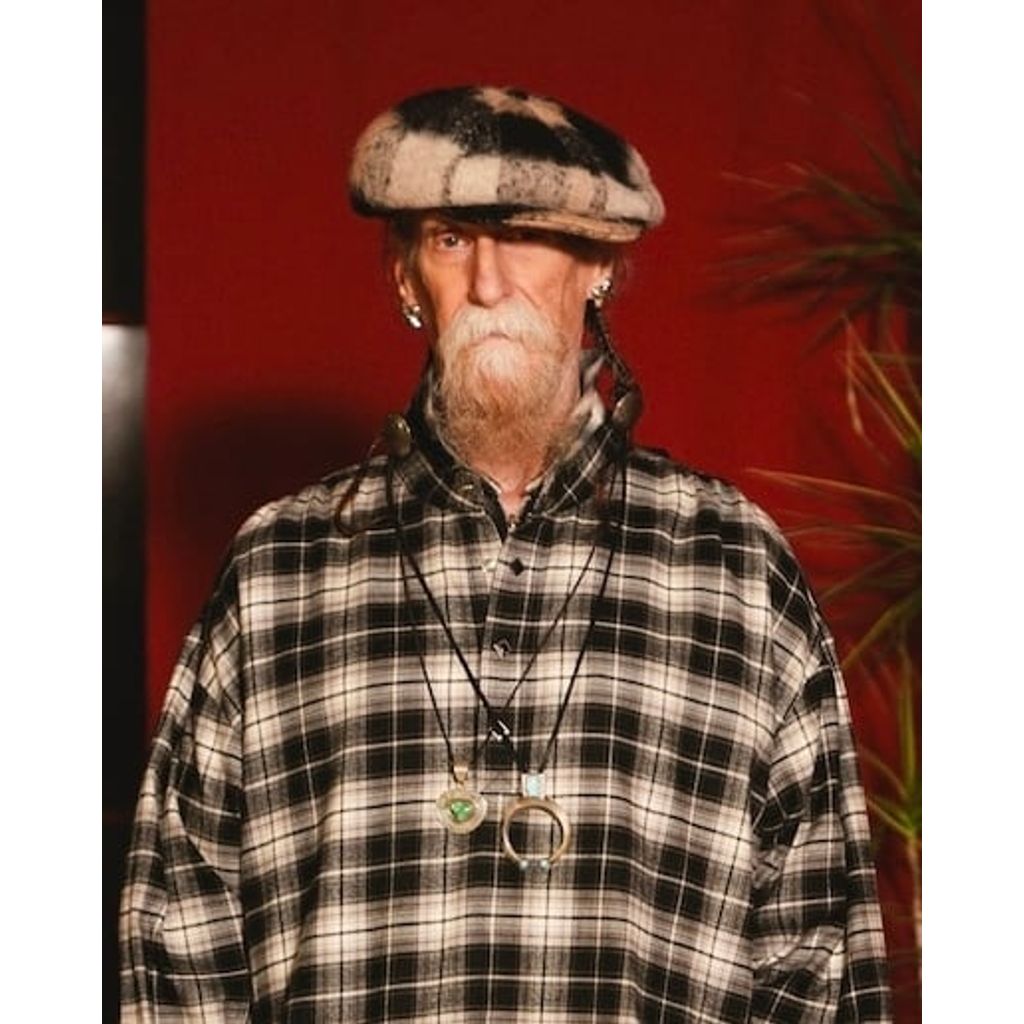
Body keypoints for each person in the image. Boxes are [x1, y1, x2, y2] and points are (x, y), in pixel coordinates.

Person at [120, 85, 891, 1023]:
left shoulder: (735, 568)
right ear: (406, 279)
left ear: (599, 266)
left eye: (524, 234)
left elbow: (817, 957)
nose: (488, 282)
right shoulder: (280, 568)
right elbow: (179, 948)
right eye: (450, 239)